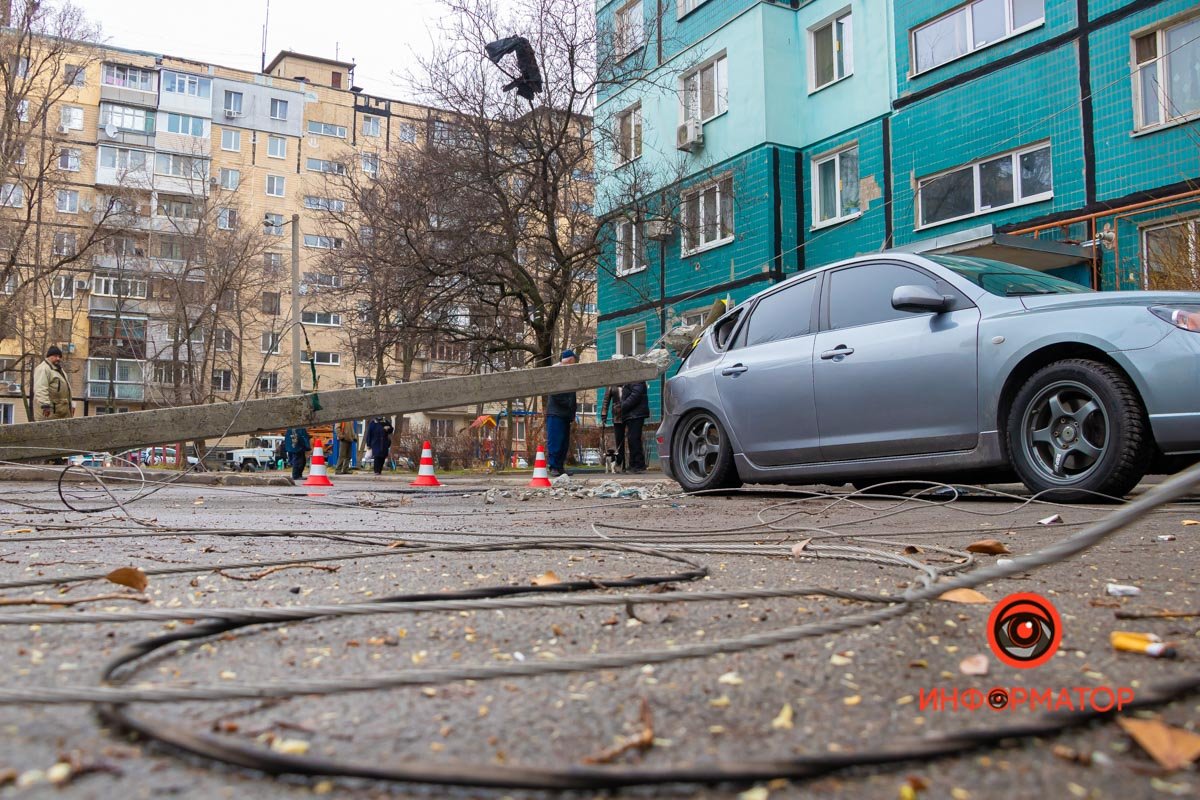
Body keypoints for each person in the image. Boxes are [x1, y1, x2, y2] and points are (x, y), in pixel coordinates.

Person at [544, 349, 577, 477]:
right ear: (570, 360)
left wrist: (572, 412)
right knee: (556, 441)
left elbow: (572, 396)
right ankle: (554, 466)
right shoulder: (557, 373)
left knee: (563, 443)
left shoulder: (569, 374)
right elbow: (556, 394)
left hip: (564, 414)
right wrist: (569, 406)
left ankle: (559, 466)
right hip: (556, 413)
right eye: (574, 360)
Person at [33, 345, 74, 421]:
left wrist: (70, 405)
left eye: (59, 356)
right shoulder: (43, 369)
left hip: (60, 412)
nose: (58, 358)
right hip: (50, 413)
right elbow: (40, 388)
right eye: (55, 356)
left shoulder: (59, 369)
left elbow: (65, 390)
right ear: (49, 356)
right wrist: (45, 405)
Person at [620, 380, 650, 474]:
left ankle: (638, 465)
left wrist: (623, 405)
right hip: (633, 414)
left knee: (634, 439)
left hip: (636, 414)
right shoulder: (631, 380)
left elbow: (636, 395)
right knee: (632, 439)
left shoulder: (637, 379)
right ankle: (634, 464)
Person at [601, 384, 625, 472]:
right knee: (619, 441)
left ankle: (632, 464)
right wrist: (604, 415)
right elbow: (606, 401)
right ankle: (620, 463)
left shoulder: (628, 382)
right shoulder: (611, 385)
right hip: (617, 415)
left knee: (632, 439)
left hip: (629, 414)